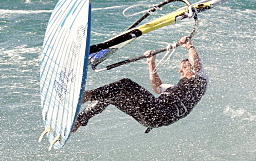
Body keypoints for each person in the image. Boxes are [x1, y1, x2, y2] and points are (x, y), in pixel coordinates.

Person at [72, 36, 207, 133]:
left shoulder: (199, 80)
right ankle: (79, 121)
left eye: (184, 67)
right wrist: (151, 62)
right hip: (151, 119)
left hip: (158, 113)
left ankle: (85, 96)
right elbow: (156, 87)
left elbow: (196, 64)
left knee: (125, 85)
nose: (180, 70)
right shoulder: (176, 90)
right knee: (111, 95)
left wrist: (189, 46)